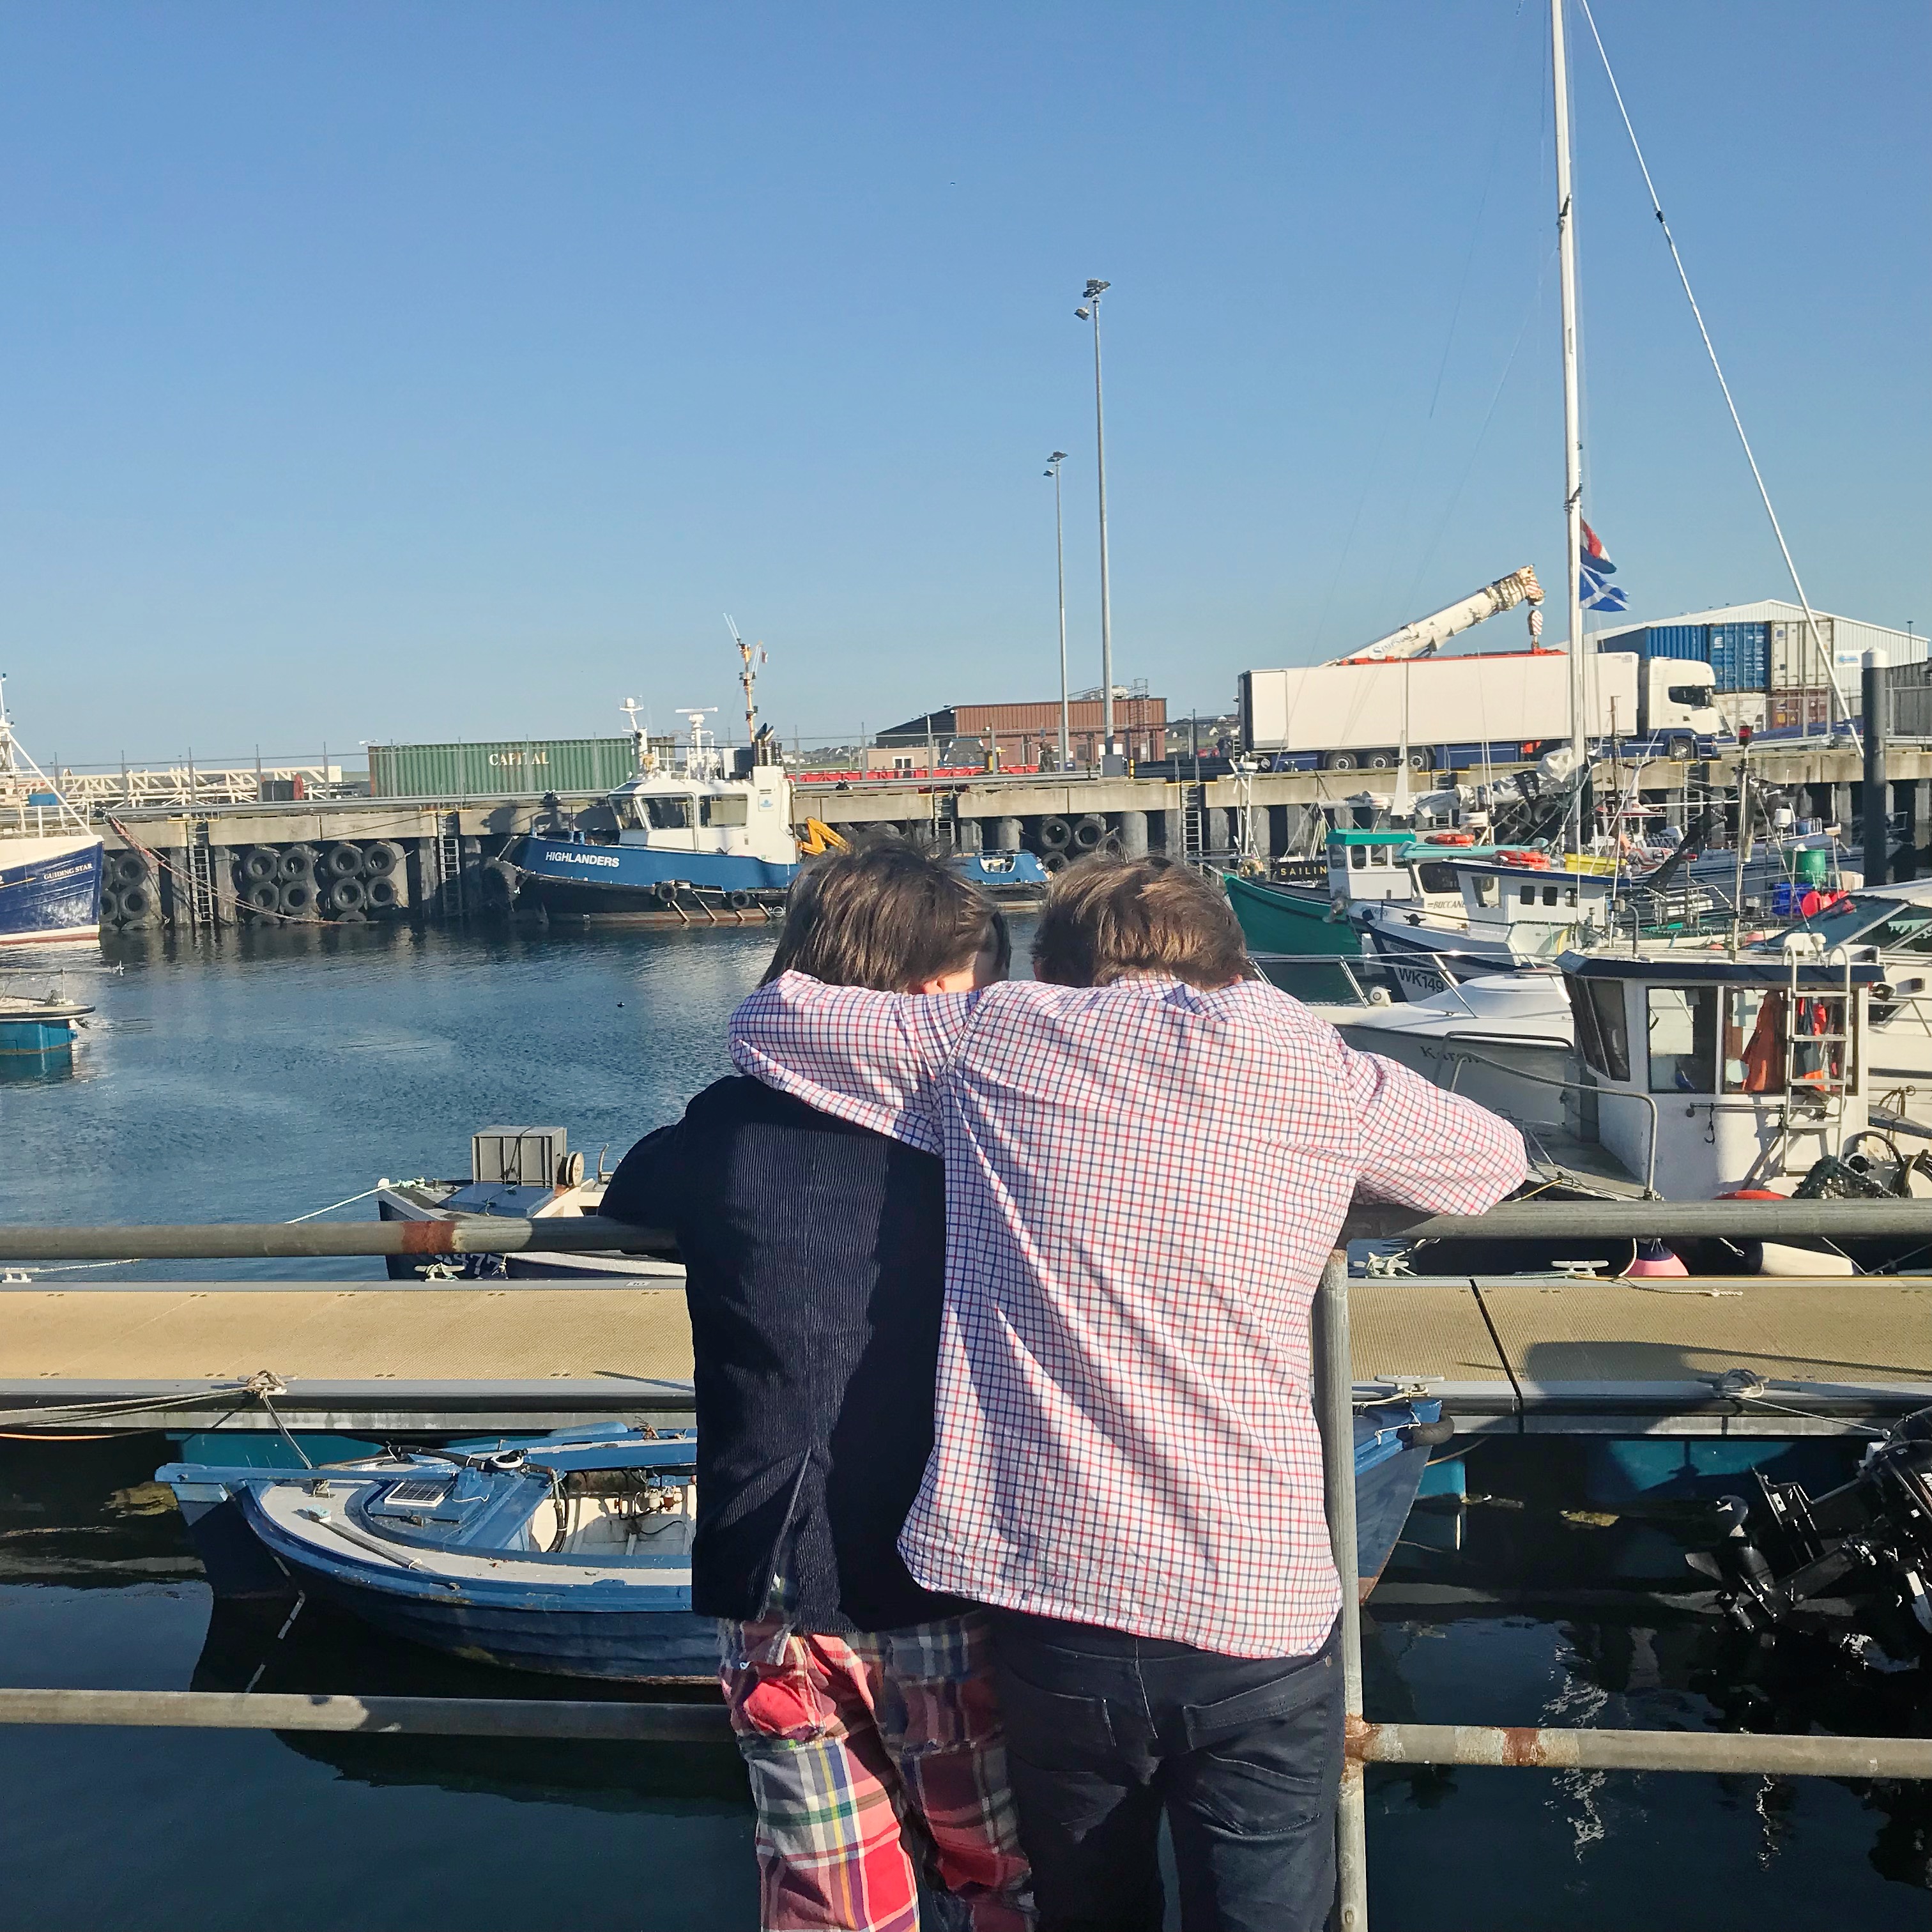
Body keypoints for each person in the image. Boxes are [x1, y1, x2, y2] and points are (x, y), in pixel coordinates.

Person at [728, 855, 1528, 1932]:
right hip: (1258, 1607)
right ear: (1233, 967)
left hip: (1060, 1603)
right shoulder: (1307, 1057)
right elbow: (1491, 1160)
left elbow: (776, 1019)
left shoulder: (999, 1033)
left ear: (1055, 969)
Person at [601, 841, 1033, 1932]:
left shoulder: (728, 1126)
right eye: (978, 984)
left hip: (772, 1568)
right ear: (929, 993)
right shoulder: (986, 1132)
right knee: (1000, 1870)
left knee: (829, 1889)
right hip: (941, 1556)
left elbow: (632, 1188)